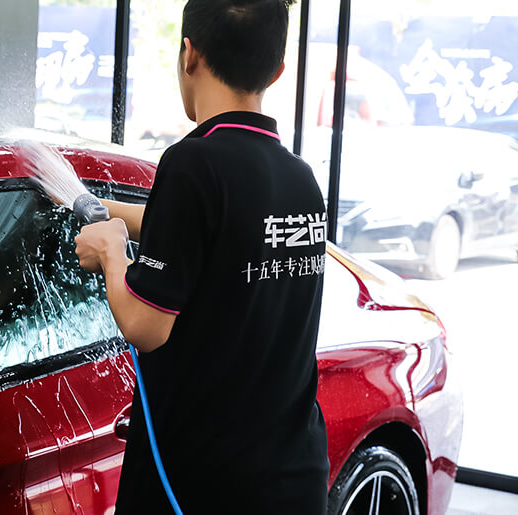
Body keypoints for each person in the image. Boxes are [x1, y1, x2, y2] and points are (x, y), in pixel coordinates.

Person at [74, 0, 329, 513]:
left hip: (202, 483)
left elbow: (145, 325)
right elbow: (213, 233)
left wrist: (110, 251)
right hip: (293, 479)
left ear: (188, 54)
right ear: (277, 71)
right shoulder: (299, 178)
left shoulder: (193, 162)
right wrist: (101, 207)